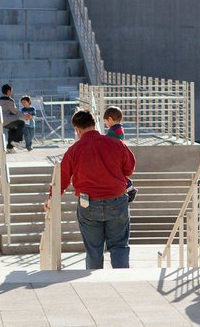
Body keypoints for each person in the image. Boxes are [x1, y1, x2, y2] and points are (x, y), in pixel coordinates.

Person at [48, 109, 135, 269]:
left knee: (94, 250)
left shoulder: (74, 150)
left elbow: (62, 177)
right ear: (94, 124)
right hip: (116, 200)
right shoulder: (115, 143)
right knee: (119, 247)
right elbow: (129, 169)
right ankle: (123, 280)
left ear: (77, 129)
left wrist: (51, 198)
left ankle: (95, 284)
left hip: (87, 202)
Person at [102, 106, 137, 203]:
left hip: (114, 156)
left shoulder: (114, 130)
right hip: (117, 155)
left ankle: (130, 187)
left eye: (106, 121)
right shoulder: (119, 128)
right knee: (118, 173)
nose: (106, 123)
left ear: (110, 119)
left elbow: (109, 140)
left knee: (116, 173)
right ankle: (130, 188)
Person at [0, 84, 24, 154]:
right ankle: (17, 141)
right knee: (21, 123)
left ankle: (10, 147)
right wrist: (24, 116)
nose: (11, 92)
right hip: (5, 119)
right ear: (8, 91)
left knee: (12, 128)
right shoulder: (9, 100)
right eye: (11, 91)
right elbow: (15, 111)